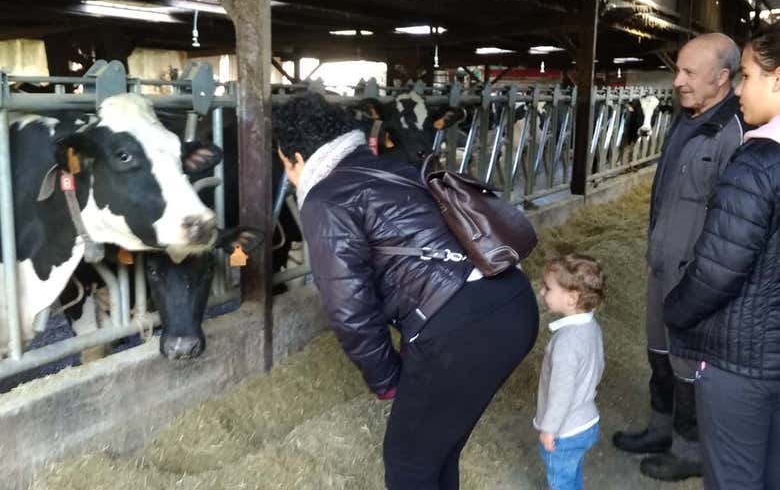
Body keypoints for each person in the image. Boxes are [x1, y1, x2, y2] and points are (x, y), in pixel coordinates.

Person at [273, 92, 540, 490]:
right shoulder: (393, 167)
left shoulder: (325, 199)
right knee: (437, 451)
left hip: (461, 328)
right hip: (510, 301)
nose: (289, 175)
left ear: (297, 157)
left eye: (284, 165)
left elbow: (349, 308)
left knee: (407, 464)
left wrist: (387, 379)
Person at [612, 33, 745, 481]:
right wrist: (654, 246)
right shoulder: (686, 120)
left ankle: (689, 449)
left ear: (722, 78)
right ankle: (660, 427)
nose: (677, 81)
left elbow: (735, 219)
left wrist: (708, 278)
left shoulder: (735, 133)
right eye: (677, 70)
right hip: (663, 262)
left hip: (696, 275)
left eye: (689, 72)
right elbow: (665, 195)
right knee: (659, 350)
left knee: (688, 362)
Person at [663, 23, 780, 490]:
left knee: (733, 477)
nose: (740, 89)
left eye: (747, 76)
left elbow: (718, 270)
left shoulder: (758, 162)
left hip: (744, 358)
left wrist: (676, 311)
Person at [536, 254, 605, 490]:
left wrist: (549, 428)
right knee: (572, 473)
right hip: (587, 421)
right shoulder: (591, 326)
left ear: (572, 298)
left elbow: (561, 392)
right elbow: (599, 365)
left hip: (565, 432)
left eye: (547, 288)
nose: (541, 292)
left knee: (560, 482)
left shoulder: (566, 342)